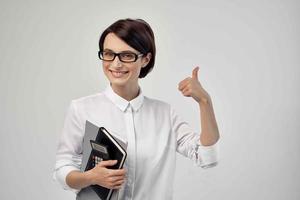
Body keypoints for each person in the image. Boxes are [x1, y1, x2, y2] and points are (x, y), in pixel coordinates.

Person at [53, 18, 220, 200]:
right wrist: (90, 177)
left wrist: (204, 101)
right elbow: (63, 168)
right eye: (109, 54)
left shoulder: (165, 114)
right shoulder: (82, 109)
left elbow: (207, 157)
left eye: (126, 55)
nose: (116, 64)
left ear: (145, 59)